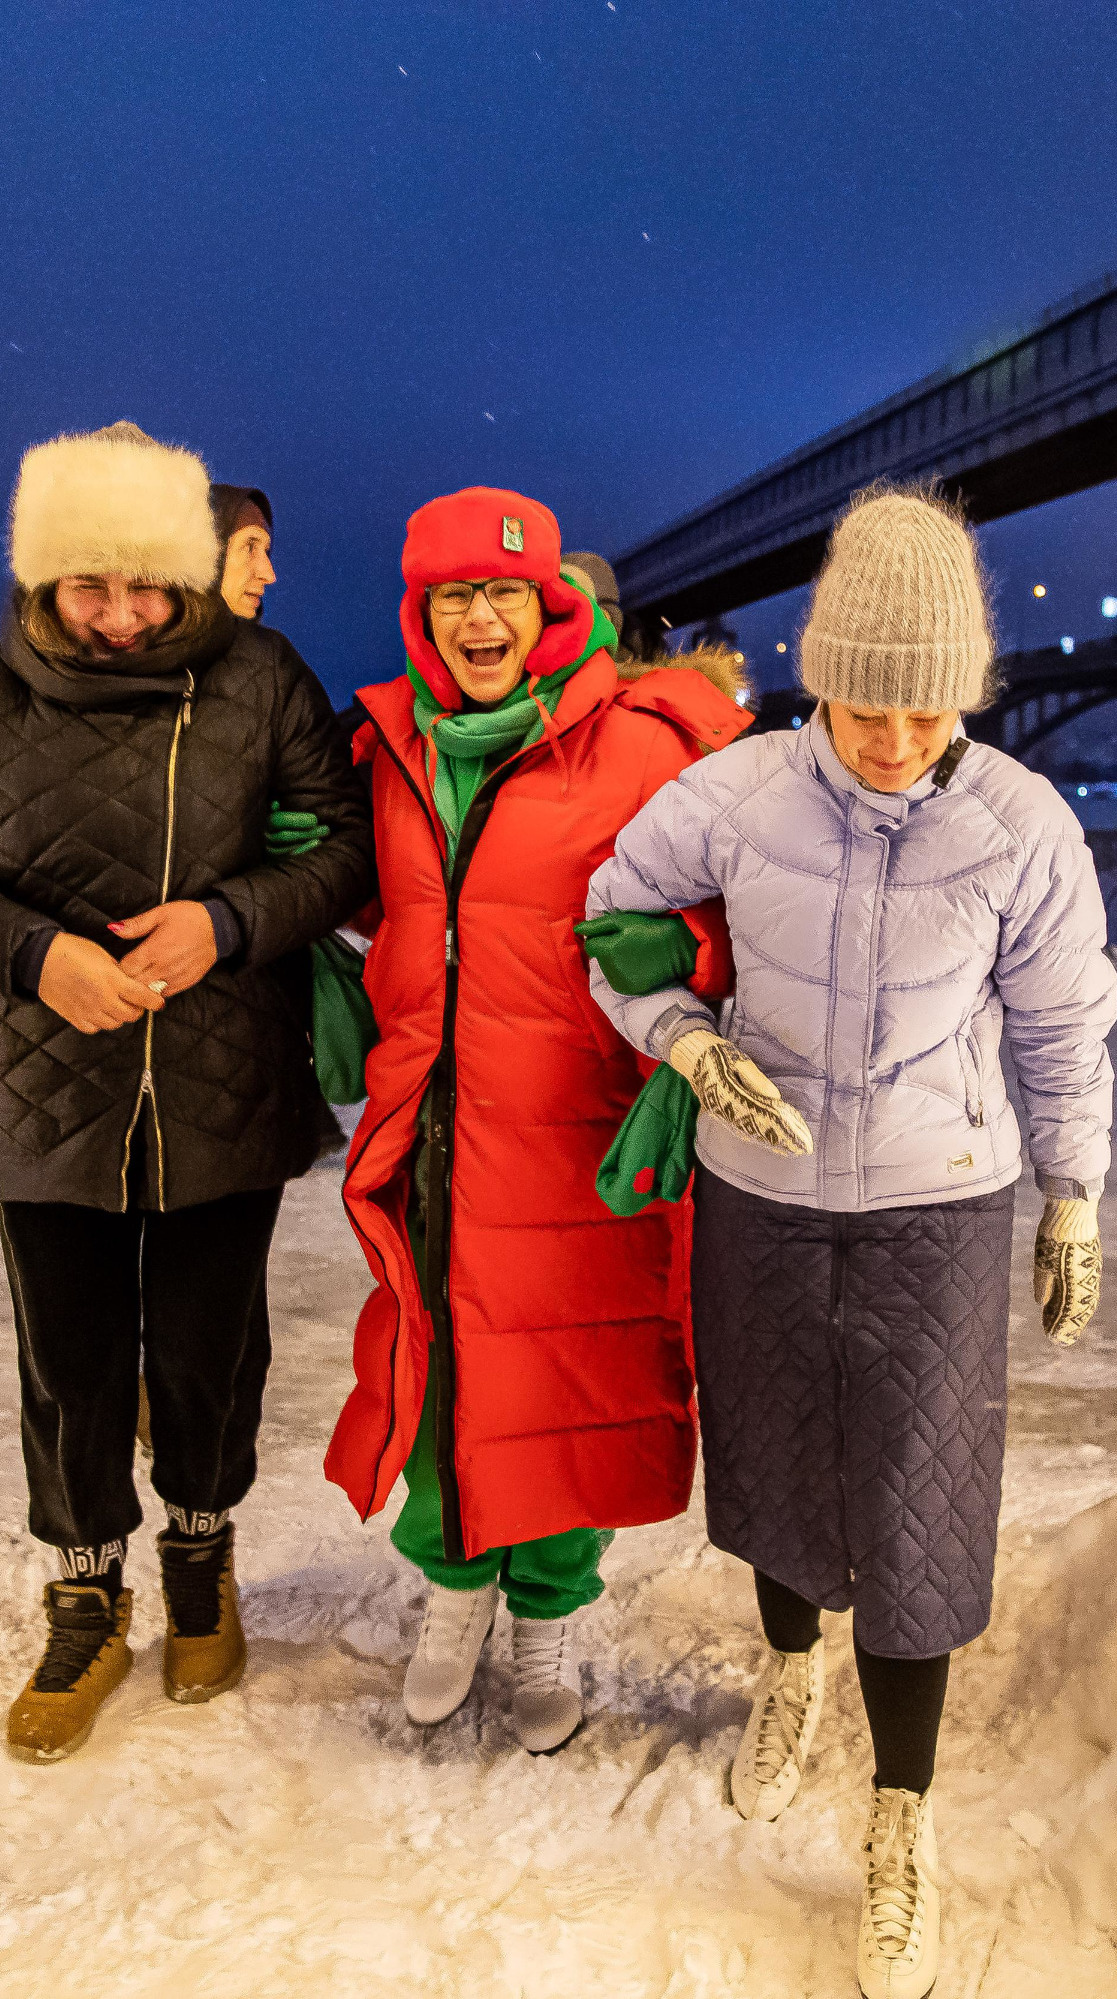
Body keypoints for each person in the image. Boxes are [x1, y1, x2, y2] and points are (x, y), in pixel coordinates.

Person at [584, 488, 1116, 1999]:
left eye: (924, 708)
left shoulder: (1019, 821)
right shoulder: (740, 791)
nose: (892, 740)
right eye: (864, 704)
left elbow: (1065, 1020)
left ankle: (902, 1812)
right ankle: (788, 1663)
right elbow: (612, 910)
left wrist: (1073, 1187)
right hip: (759, 1184)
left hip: (937, 1199)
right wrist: (683, 1041)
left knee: (916, 1495)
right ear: (819, 678)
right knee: (768, 1450)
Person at [0, 422, 373, 1764]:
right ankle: (86, 1583)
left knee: (212, 1353)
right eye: (83, 585)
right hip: (42, 1088)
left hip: (220, 1080)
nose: (115, 615)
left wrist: (227, 921)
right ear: (41, 579)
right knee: (73, 1357)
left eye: (143, 584)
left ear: (185, 572)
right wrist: (31, 953)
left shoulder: (259, 676)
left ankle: (199, 1556)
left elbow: (341, 849)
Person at [321, 486, 750, 1754]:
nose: (479, 617)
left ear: (553, 604)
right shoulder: (384, 749)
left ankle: (548, 1613)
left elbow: (761, 902)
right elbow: (416, 911)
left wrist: (688, 947)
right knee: (441, 1366)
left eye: (505, 590)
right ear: (421, 613)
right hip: (433, 1122)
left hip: (579, 1127)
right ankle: (454, 1591)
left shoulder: (652, 743)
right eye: (452, 595)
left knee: (566, 1380)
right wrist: (318, 908)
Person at [213, 483, 275, 621]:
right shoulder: (156, 640)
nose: (269, 576)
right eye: (250, 547)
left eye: (267, 552)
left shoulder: (271, 643)